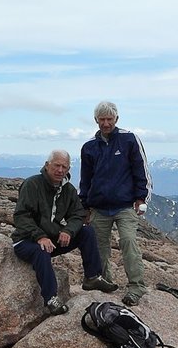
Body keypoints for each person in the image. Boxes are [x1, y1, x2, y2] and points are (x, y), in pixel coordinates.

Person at [12, 149, 118, 315]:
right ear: (47, 165)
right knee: (41, 251)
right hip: (26, 240)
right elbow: (21, 217)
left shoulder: (67, 190)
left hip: (51, 239)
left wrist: (68, 230)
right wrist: (40, 236)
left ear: (68, 169)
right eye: (56, 165)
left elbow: (78, 214)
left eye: (64, 167)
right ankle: (50, 298)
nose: (60, 170)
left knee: (87, 232)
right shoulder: (32, 184)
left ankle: (92, 277)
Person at [80, 101, 152, 307]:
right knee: (99, 247)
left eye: (109, 119)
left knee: (128, 241)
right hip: (99, 207)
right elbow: (86, 179)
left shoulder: (129, 140)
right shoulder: (89, 148)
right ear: (96, 120)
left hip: (125, 205)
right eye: (101, 119)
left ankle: (136, 286)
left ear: (116, 119)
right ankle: (104, 281)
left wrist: (141, 198)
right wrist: (84, 206)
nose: (105, 123)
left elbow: (141, 170)